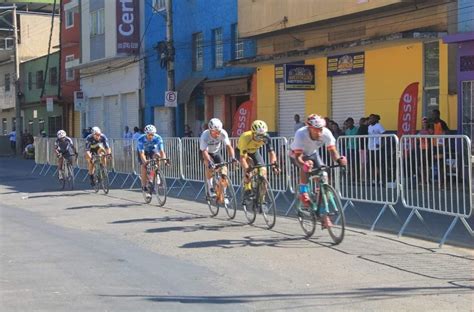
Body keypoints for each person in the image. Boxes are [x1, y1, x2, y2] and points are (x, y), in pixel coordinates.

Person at [289, 114, 347, 228]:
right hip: (296, 154)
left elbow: (332, 150)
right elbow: (298, 158)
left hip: (312, 153)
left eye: (320, 129)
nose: (319, 132)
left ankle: (324, 214)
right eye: (316, 130)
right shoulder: (301, 133)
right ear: (309, 127)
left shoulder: (326, 133)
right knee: (306, 165)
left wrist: (339, 160)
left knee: (323, 176)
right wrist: (304, 164)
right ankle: (303, 191)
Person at [237, 120, 279, 198]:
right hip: (243, 152)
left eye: (262, 135)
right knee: (248, 170)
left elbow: (272, 153)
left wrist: (274, 165)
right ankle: (247, 188)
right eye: (258, 136)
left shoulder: (266, 137)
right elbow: (243, 158)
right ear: (253, 133)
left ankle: (261, 200)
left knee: (263, 172)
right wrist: (247, 170)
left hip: (254, 151)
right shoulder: (245, 137)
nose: (260, 138)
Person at [199, 118, 237, 201]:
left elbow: (228, 146)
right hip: (206, 153)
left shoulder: (223, 133)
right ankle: (210, 188)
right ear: (210, 130)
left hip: (216, 152)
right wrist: (209, 162)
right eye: (215, 132)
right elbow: (204, 151)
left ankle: (224, 192)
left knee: (224, 170)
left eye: (218, 132)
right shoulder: (204, 136)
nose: (217, 134)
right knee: (210, 167)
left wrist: (233, 157)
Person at [137, 125, 169, 198]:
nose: (151, 136)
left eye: (152, 134)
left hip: (152, 150)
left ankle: (156, 172)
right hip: (143, 151)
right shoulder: (141, 139)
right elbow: (141, 154)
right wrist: (145, 162)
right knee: (144, 165)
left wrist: (164, 160)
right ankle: (144, 185)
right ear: (146, 134)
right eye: (149, 134)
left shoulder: (158, 138)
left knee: (158, 156)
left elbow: (161, 151)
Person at [367, 114, 385, 185]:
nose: (370, 120)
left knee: (378, 165)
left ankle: (381, 180)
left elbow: (384, 135)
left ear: (376, 119)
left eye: (372, 118)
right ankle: (374, 179)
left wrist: (381, 144)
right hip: (370, 147)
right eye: (370, 118)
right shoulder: (369, 126)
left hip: (377, 148)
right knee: (372, 165)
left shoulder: (379, 126)